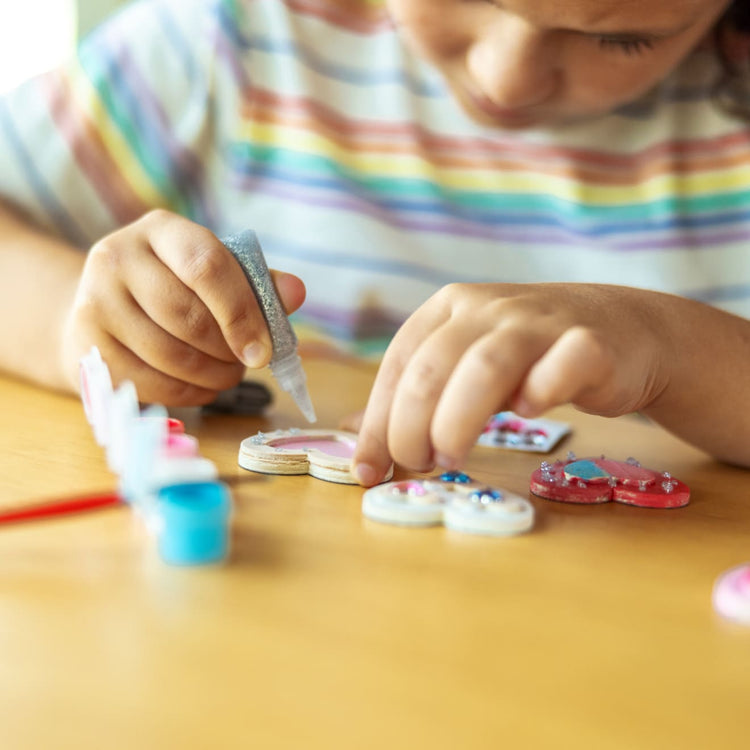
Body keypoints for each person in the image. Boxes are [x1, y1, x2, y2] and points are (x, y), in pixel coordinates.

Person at [0, 0, 749, 486]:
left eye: (623, 39)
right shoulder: (237, 41)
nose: (505, 78)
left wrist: (673, 353)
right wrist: (72, 319)